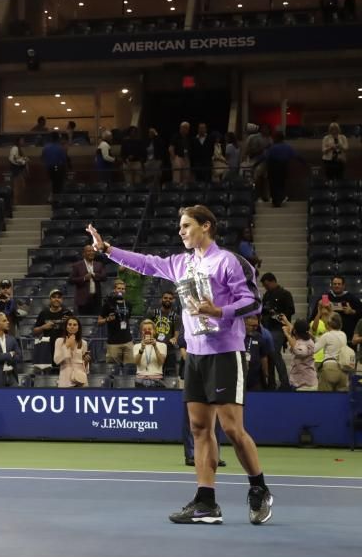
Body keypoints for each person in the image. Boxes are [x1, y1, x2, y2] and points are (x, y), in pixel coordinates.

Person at [88, 205, 273, 525]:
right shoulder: (181, 263)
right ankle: (206, 501)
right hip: (196, 355)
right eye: (180, 227)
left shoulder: (228, 261)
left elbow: (254, 301)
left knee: (231, 428)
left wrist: (220, 311)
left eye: (186, 226)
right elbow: (146, 264)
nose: (181, 231)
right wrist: (107, 249)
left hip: (226, 353)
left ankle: (259, 488)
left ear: (206, 226)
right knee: (200, 428)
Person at [260, 272, 294, 390]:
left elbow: (290, 310)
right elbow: (263, 311)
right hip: (267, 328)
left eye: (267, 285)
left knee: (275, 354)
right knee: (268, 356)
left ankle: (284, 383)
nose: (266, 287)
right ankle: (271, 383)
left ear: (273, 281)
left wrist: (278, 315)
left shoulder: (285, 294)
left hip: (279, 328)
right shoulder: (266, 295)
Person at [310, 275, 362, 340]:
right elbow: (313, 317)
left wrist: (352, 311)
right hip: (328, 335)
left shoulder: (352, 298)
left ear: (344, 285)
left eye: (339, 284)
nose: (337, 286)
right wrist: (321, 310)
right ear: (331, 285)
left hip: (347, 336)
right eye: (334, 284)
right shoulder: (324, 298)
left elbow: (360, 313)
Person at [32, 289, 73, 369]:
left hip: (64, 349)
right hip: (48, 350)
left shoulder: (67, 313)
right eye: (54, 297)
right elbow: (34, 331)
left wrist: (67, 324)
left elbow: (75, 331)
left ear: (62, 299)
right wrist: (44, 327)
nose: (56, 299)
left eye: (59, 297)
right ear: (50, 299)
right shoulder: (43, 313)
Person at [98, 278, 134, 367]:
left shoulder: (129, 304)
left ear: (125, 290)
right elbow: (99, 321)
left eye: (123, 289)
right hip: (113, 343)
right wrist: (107, 319)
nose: (121, 290)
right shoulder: (108, 304)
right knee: (113, 370)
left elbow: (127, 319)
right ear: (114, 289)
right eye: (119, 288)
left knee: (130, 370)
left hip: (128, 342)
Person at [146, 290, 181, 377]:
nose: (167, 300)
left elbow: (177, 331)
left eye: (170, 298)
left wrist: (175, 338)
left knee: (170, 376)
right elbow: (146, 327)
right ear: (161, 299)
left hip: (169, 350)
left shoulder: (176, 317)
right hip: (154, 348)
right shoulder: (153, 313)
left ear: (173, 300)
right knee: (154, 375)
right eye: (165, 298)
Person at [316, 312, 349, 392]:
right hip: (343, 369)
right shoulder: (343, 335)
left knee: (324, 398)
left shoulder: (326, 336)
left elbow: (313, 349)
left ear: (328, 324)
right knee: (340, 400)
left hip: (329, 368)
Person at [69, 245, 106, 315]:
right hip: (83, 301)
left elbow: (104, 277)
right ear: (84, 253)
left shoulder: (99, 265)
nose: (91, 253)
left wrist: (94, 275)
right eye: (89, 251)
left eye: (93, 251)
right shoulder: (77, 265)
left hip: (96, 300)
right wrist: (84, 278)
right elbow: (71, 280)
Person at [283, 318, 318, 391]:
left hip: (306, 385)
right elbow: (294, 331)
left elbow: (298, 351)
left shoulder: (308, 343)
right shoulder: (299, 340)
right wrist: (286, 321)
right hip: (297, 382)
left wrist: (287, 335)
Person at [134, 319, 167, 387]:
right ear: (141, 332)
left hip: (157, 380)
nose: (147, 331)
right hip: (140, 380)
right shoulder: (136, 346)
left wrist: (155, 346)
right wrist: (142, 349)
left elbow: (161, 362)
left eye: (149, 329)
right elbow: (136, 362)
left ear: (154, 331)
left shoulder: (162, 345)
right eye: (144, 329)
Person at [243, 316, 271, 391]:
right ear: (244, 324)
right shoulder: (237, 337)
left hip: (255, 379)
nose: (255, 328)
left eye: (256, 326)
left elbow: (263, 356)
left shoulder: (259, 337)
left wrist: (266, 373)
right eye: (252, 326)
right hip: (238, 377)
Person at [41, 132, 68, 198]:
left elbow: (42, 158)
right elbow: (64, 159)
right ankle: (56, 198)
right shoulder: (60, 148)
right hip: (58, 168)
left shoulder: (46, 147)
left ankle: (51, 197)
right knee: (58, 184)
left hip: (49, 168)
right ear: (58, 138)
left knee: (52, 182)